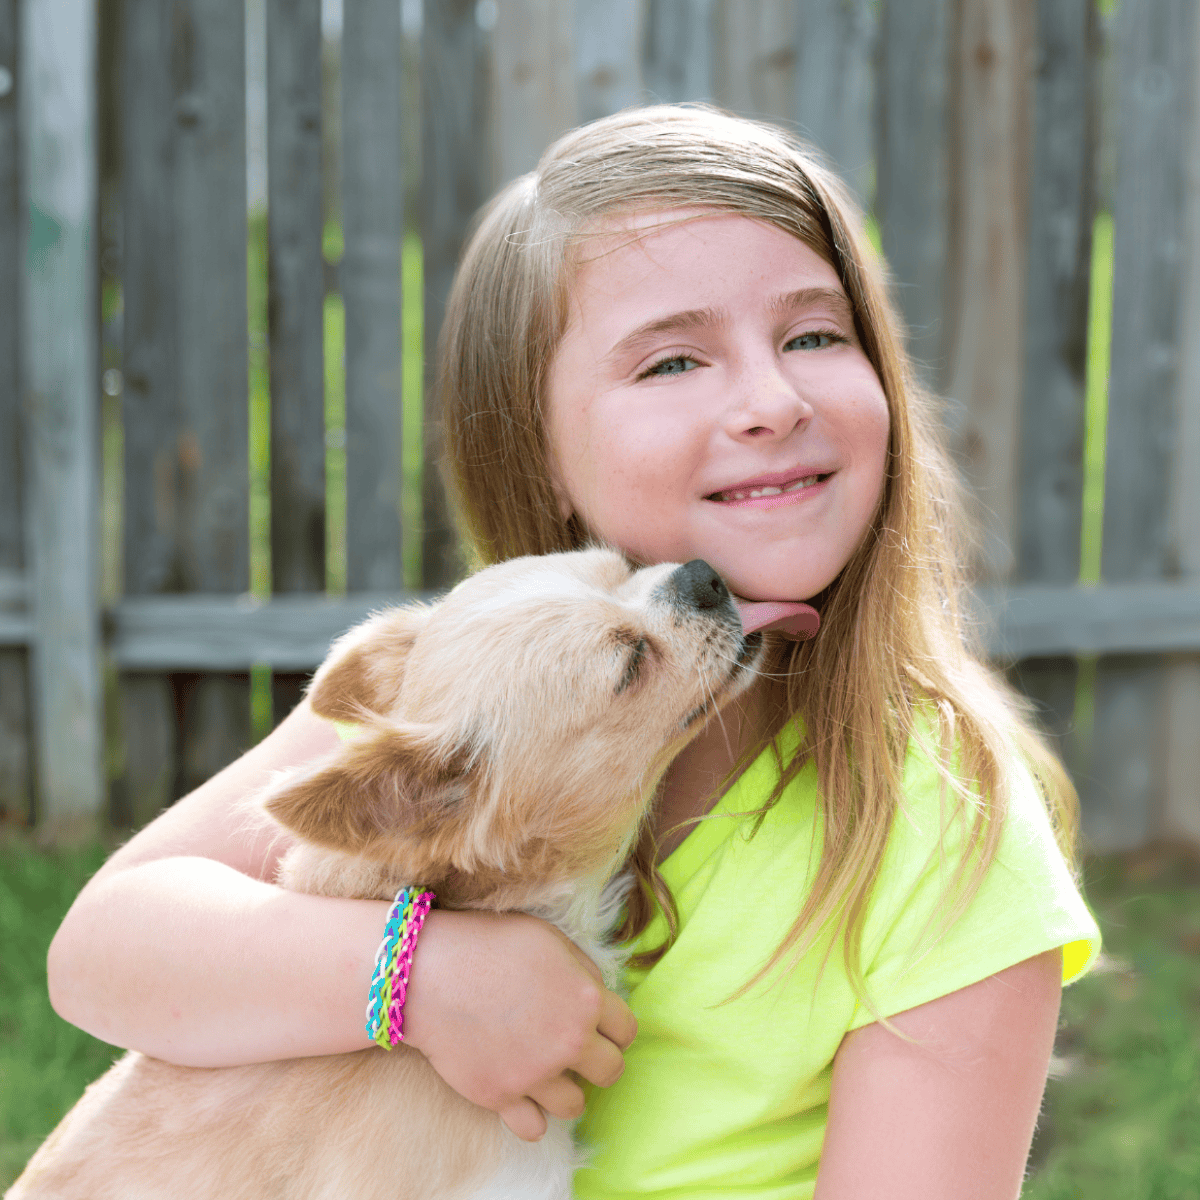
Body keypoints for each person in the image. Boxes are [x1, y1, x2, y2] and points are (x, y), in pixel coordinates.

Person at [47, 105, 1099, 1199]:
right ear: (537, 449)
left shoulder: (942, 823)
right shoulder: (465, 694)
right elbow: (98, 955)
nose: (772, 401)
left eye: (815, 336)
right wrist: (422, 977)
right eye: (674, 360)